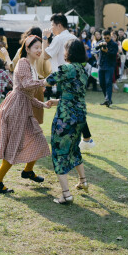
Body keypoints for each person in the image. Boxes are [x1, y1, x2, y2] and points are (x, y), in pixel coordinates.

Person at [0, 35, 57, 194]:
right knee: (14, 146)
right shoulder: (22, 63)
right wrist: (45, 82)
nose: (39, 50)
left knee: (39, 139)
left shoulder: (32, 66)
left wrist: (43, 104)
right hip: (15, 109)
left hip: (24, 107)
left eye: (40, 47)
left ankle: (28, 171)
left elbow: (28, 94)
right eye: (36, 47)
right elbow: (26, 85)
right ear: (27, 49)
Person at [45, 39, 89, 205]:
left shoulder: (67, 68)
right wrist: (56, 101)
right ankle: (83, 181)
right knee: (73, 148)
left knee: (59, 152)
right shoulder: (83, 71)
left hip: (66, 118)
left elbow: (48, 80)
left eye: (65, 50)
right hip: (80, 116)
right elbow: (73, 95)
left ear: (69, 52)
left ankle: (66, 194)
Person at [94, 30, 118, 107]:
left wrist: (107, 51)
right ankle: (107, 99)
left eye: (107, 38)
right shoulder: (101, 41)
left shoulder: (114, 44)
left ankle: (108, 100)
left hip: (109, 65)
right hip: (101, 65)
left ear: (110, 36)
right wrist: (100, 44)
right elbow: (95, 49)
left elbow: (114, 54)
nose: (106, 39)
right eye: (104, 38)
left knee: (108, 82)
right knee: (101, 83)